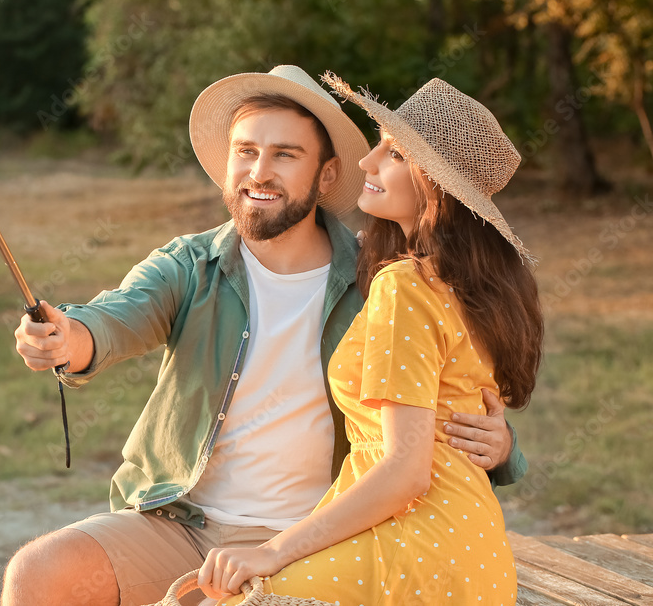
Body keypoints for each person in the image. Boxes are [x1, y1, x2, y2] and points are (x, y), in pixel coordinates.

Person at [2, 66, 527, 606]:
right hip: (182, 523)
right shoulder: (191, 264)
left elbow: (446, 395)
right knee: (38, 574)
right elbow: (118, 316)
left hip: (315, 533)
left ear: (326, 176)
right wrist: (69, 337)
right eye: (246, 151)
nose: (259, 171)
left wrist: (505, 446)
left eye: (285, 155)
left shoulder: (380, 278)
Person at [196, 73, 543, 605]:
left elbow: (406, 473)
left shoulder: (405, 285)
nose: (367, 162)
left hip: (413, 544)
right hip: (475, 553)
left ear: (436, 188)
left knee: (236, 594)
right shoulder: (473, 290)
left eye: (395, 154)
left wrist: (275, 550)